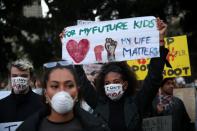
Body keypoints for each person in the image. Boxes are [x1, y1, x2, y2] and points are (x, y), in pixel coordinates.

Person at [74, 18, 169, 131]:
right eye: (107, 83)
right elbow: (82, 81)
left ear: (125, 84)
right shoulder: (98, 103)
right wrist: (71, 50)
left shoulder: (137, 102)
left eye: (116, 82)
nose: (111, 86)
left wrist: (160, 41)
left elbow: (154, 78)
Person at [17, 60, 110, 131]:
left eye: (69, 85)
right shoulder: (29, 127)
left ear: (77, 92)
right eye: (54, 86)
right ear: (45, 93)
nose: (62, 91)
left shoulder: (96, 127)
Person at [0, 59, 44, 123]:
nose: (19, 79)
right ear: (10, 77)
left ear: (31, 78)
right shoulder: (1, 106)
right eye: (14, 76)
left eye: (24, 76)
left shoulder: (42, 103)